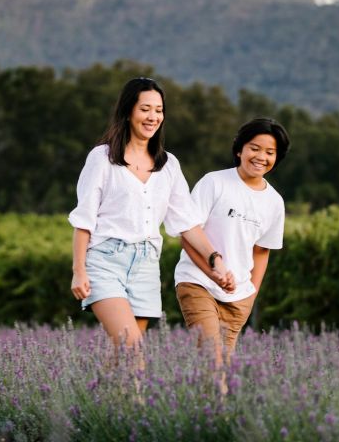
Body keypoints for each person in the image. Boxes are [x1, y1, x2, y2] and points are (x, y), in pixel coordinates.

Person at [69, 77, 233, 348]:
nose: (153, 116)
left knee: (124, 355)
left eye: (158, 110)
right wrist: (79, 270)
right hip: (105, 261)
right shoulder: (102, 158)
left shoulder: (168, 165)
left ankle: (97, 392)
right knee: (131, 347)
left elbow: (188, 224)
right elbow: (84, 219)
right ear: (128, 111)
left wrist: (215, 259)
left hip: (146, 264)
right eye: (145, 109)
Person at [174, 117, 290, 361]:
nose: (261, 157)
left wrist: (251, 296)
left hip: (238, 297)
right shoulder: (214, 182)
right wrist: (212, 272)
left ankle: (204, 400)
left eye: (270, 152)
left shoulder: (274, 202)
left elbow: (261, 252)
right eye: (254, 148)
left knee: (222, 368)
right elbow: (188, 234)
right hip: (197, 283)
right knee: (211, 358)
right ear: (240, 150)